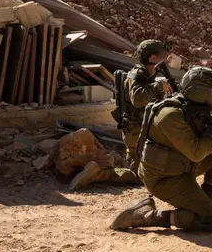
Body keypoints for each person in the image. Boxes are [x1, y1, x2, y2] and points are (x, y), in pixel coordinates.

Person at [110, 67, 212, 232]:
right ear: (200, 94)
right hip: (163, 179)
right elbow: (197, 153)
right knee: (207, 220)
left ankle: (207, 199)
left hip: (183, 168)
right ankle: (145, 215)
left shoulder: (194, 109)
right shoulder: (170, 115)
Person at [69, 39, 173, 190]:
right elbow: (138, 99)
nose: (166, 59)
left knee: (140, 166)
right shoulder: (137, 75)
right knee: (140, 175)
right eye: (163, 56)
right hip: (135, 129)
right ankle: (98, 174)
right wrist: (158, 86)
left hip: (140, 128)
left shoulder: (147, 74)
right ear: (152, 58)